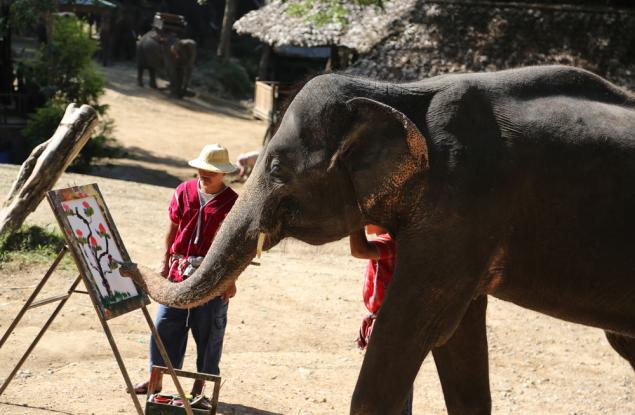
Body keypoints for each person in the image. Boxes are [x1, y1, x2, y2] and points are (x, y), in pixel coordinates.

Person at [134, 144, 239, 403]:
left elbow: (238, 247)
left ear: (223, 174)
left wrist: (231, 280)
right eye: (202, 169)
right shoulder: (184, 191)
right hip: (178, 272)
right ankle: (155, 378)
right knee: (165, 325)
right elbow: (173, 226)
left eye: (211, 171)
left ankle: (201, 390)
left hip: (213, 277)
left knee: (209, 333)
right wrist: (165, 260)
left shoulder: (234, 204)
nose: (204, 174)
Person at [350, 225, 413, 415]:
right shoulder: (393, 240)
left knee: (391, 391)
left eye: (370, 218)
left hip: (391, 330)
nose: (367, 221)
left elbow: (359, 250)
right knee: (393, 389)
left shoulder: (391, 240)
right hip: (392, 326)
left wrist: (354, 221)